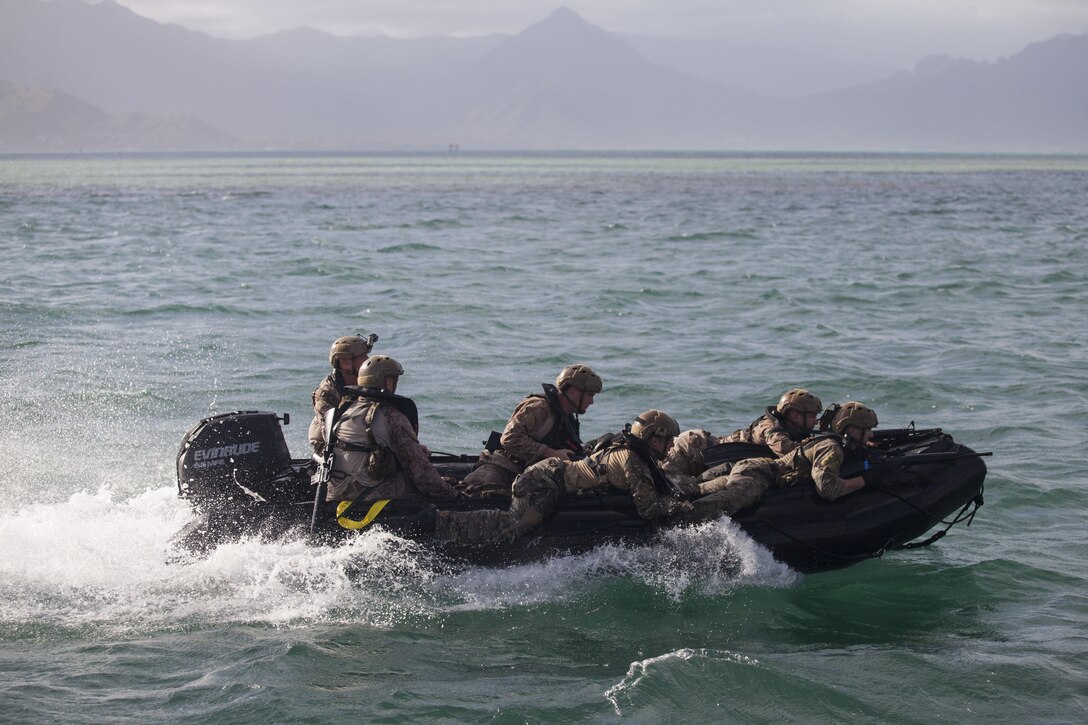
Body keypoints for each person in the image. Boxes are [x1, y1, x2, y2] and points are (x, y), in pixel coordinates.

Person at [435, 410, 693, 545]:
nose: (671, 446)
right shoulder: (632, 459)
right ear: (651, 436)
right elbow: (648, 508)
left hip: (554, 476)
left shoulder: (634, 453)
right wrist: (681, 506)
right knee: (514, 526)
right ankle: (440, 523)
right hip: (545, 480)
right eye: (667, 439)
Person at [690, 401, 878, 521]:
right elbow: (828, 488)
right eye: (866, 428)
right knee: (733, 499)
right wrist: (865, 480)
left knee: (697, 491)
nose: (870, 433)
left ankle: (675, 504)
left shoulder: (832, 442)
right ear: (851, 430)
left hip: (756, 468)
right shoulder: (832, 447)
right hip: (762, 473)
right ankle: (681, 519)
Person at [324, 355, 458, 503]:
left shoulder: (345, 410)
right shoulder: (391, 417)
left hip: (337, 493)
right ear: (387, 382)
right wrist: (453, 495)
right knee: (417, 482)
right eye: (394, 380)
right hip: (363, 496)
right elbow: (422, 474)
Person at [458, 363, 603, 497]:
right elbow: (509, 439)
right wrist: (551, 453)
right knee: (476, 498)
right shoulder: (539, 408)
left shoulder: (566, 418)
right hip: (501, 468)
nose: (591, 401)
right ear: (573, 392)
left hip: (527, 477)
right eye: (589, 395)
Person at [660, 388, 823, 484]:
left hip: (709, 454)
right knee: (669, 484)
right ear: (795, 416)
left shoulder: (790, 428)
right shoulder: (770, 427)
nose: (815, 421)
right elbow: (784, 449)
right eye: (811, 416)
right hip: (693, 449)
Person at [308, 333, 377, 454]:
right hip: (327, 441)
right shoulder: (327, 393)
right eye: (363, 357)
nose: (368, 361)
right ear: (345, 363)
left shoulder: (365, 380)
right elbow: (328, 433)